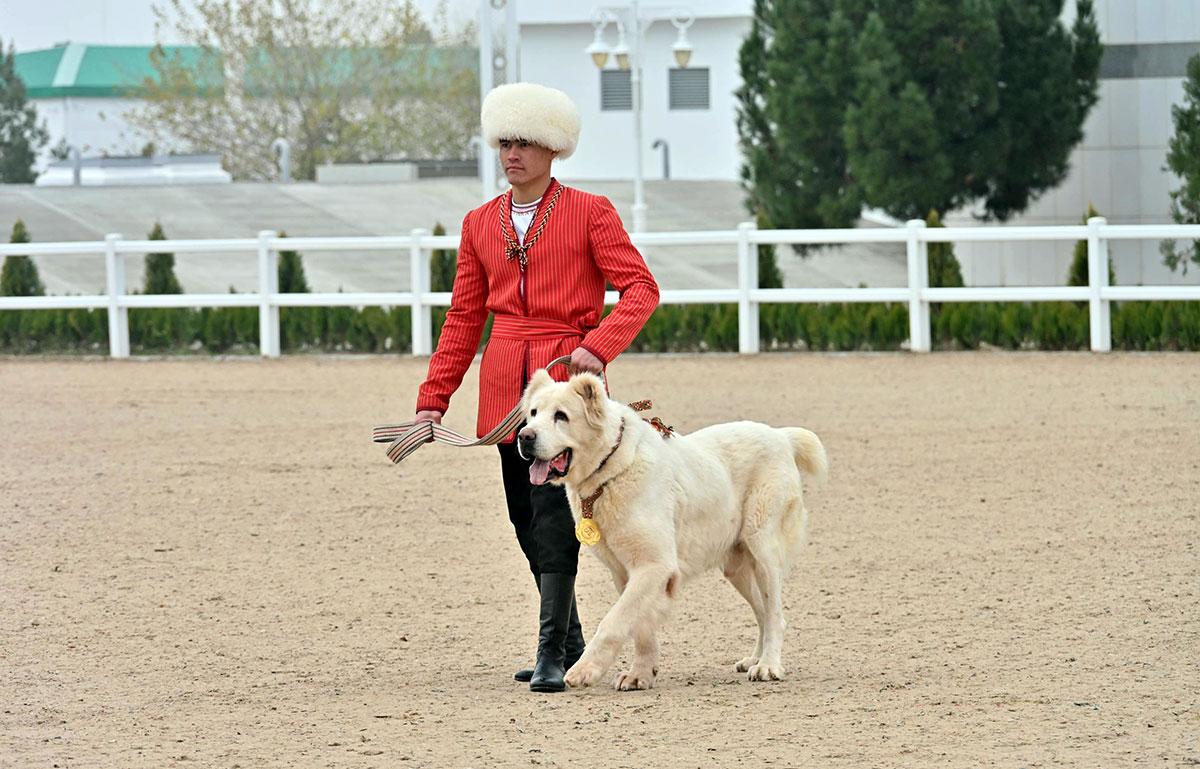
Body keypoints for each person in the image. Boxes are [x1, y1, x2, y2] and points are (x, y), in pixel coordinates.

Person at [413, 82, 660, 692]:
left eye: (525, 143)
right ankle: (571, 644)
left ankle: (550, 653)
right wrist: (432, 400)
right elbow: (463, 318)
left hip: (566, 392)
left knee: (553, 520)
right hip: (505, 390)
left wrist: (598, 347)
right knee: (524, 517)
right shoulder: (479, 223)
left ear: (553, 149)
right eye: (505, 143)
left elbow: (641, 289)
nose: (512, 154)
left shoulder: (590, 212)